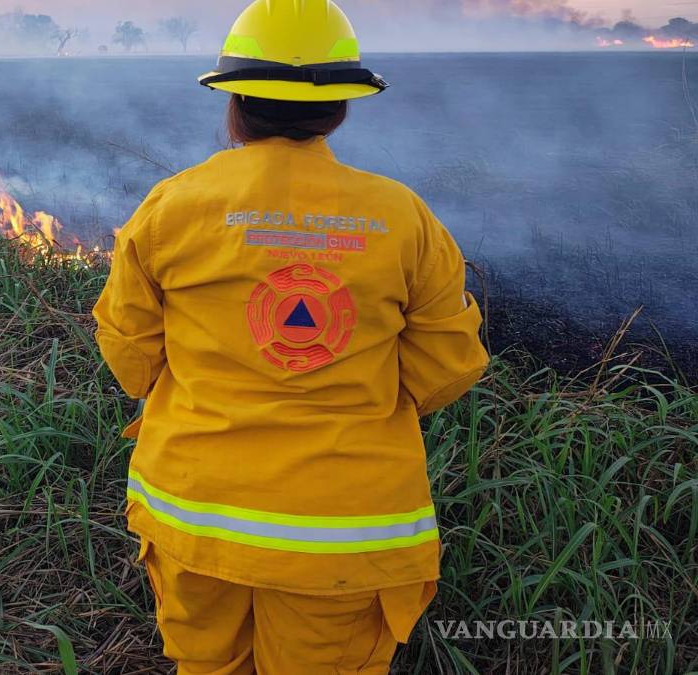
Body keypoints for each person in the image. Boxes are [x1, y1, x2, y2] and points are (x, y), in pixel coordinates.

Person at [91, 1, 490, 672]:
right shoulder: (403, 218)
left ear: (234, 106)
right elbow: (448, 367)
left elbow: (129, 354)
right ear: (338, 109)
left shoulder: (172, 206)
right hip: (344, 534)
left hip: (195, 514)